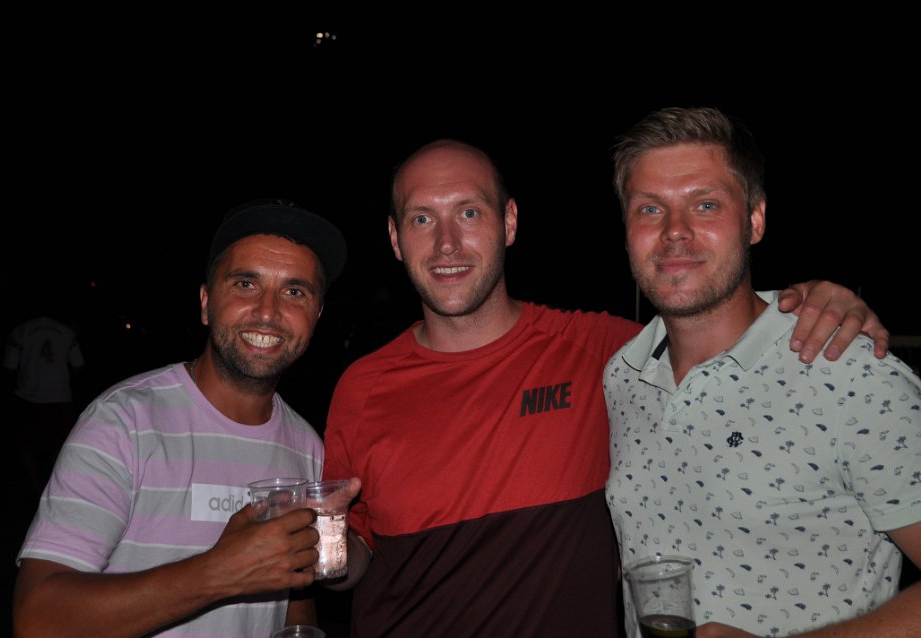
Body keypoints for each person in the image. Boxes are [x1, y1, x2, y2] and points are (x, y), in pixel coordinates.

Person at [321, 138, 890, 637]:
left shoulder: (608, 355)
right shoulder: (362, 388)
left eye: (469, 212)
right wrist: (321, 552)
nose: (447, 243)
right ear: (395, 238)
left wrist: (811, 304)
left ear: (509, 222)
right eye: (422, 219)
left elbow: (712, 322)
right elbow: (353, 553)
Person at [604, 107, 921, 637]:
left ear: (755, 220)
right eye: (649, 209)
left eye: (706, 205)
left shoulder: (850, 374)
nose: (675, 231)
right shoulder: (622, 378)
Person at [13, 199, 360, 637]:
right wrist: (218, 572)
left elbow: (293, 592)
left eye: (294, 292)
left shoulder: (307, 446)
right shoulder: (124, 422)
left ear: (316, 316)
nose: (268, 311)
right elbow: (37, 618)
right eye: (246, 284)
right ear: (206, 302)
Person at [2, 295, 86, 493]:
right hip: (59, 397)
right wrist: (62, 378)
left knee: (27, 443)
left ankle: (35, 484)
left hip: (28, 396)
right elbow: (79, 365)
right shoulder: (65, 331)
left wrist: (26, 376)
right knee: (61, 443)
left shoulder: (21, 330)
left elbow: (8, 366)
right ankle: (56, 484)